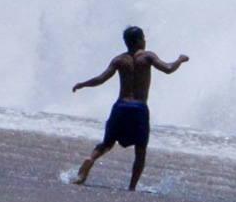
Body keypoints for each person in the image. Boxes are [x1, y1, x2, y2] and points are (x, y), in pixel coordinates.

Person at [70, 26, 189, 191]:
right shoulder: (147, 57)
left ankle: (88, 162)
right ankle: (132, 187)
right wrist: (180, 59)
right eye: (144, 38)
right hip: (139, 108)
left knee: (107, 143)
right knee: (140, 149)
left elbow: (101, 79)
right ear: (140, 40)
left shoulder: (119, 60)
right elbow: (168, 69)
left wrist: (83, 84)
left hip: (120, 106)